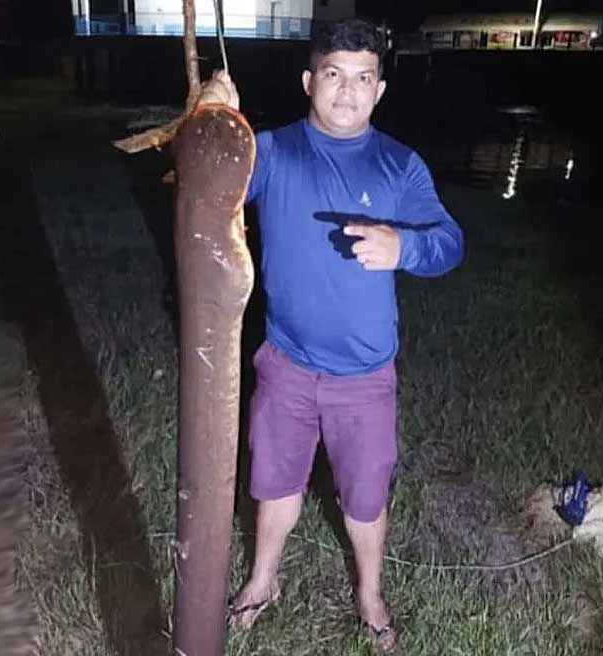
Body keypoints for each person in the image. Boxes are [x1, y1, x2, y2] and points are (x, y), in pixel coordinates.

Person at [197, 17, 463, 653]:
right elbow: (206, 185)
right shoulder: (274, 151)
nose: (348, 91)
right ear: (309, 80)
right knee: (275, 482)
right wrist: (212, 120)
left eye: (363, 78)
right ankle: (263, 579)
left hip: (366, 376)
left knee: (365, 497)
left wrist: (405, 245)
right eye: (335, 76)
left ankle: (369, 593)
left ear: (380, 90)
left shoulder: (400, 164)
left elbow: (450, 243)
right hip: (285, 364)